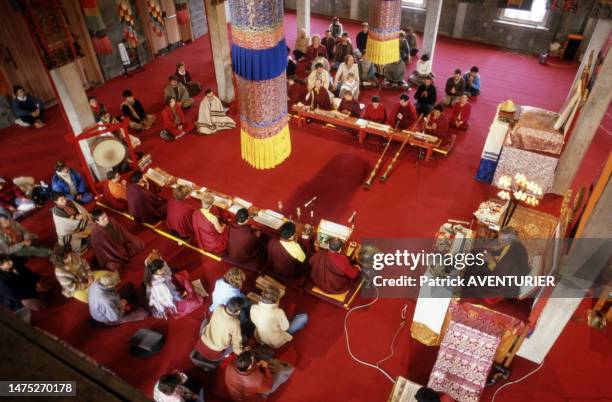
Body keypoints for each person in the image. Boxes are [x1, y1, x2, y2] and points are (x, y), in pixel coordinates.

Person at [224, 350, 294, 402]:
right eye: (253, 360)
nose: (254, 360)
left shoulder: (229, 366)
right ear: (249, 367)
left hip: (235, 395)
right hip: (255, 398)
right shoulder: (257, 380)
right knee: (283, 373)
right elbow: (268, 387)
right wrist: (266, 367)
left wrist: (256, 365)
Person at [0, 255, 48, 319]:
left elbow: (30, 274)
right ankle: (41, 296)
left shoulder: (16, 265)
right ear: (1, 266)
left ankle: (42, 294)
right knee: (37, 306)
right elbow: (16, 295)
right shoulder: (2, 281)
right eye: (8, 262)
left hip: (30, 286)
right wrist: (35, 290)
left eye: (9, 260)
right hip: (21, 298)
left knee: (46, 282)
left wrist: (37, 283)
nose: (11, 262)